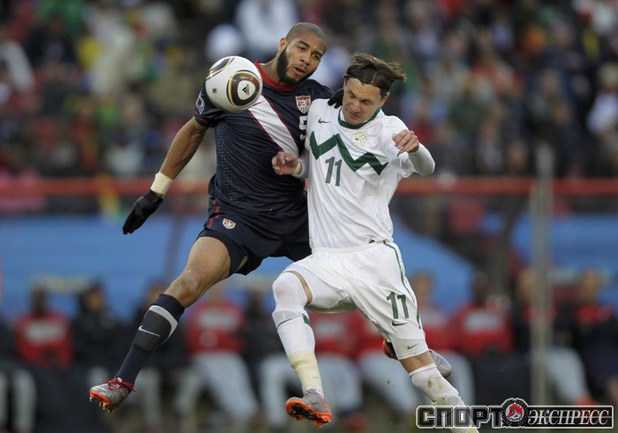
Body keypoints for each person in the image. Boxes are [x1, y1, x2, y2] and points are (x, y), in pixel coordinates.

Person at [89, 21, 419, 412]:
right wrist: (156, 191)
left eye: (316, 55)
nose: (307, 59)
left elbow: (361, 120)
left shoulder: (319, 100)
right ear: (282, 44)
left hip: (298, 216)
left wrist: (399, 137)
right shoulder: (233, 79)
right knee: (188, 282)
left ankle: (407, 342)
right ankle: (122, 381)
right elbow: (193, 131)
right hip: (237, 218)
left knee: (365, 267)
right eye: (301, 48)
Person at [269, 52, 477, 432]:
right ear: (344, 86)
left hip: (374, 262)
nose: (355, 105)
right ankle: (313, 393)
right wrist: (296, 167)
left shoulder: (388, 130)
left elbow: (427, 168)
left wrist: (416, 148)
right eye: (351, 95)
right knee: (285, 286)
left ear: (383, 100)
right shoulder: (320, 112)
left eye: (366, 101)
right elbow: (321, 165)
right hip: (327, 260)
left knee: (425, 376)